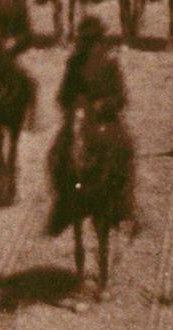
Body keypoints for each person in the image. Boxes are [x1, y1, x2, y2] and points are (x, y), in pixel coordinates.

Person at [47, 16, 136, 234]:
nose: (86, 44)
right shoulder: (74, 63)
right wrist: (72, 107)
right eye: (84, 40)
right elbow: (62, 95)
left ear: (99, 40)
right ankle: (61, 202)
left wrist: (104, 104)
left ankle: (125, 205)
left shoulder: (110, 63)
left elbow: (121, 97)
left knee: (125, 147)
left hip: (105, 119)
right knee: (56, 154)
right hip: (78, 119)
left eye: (91, 40)